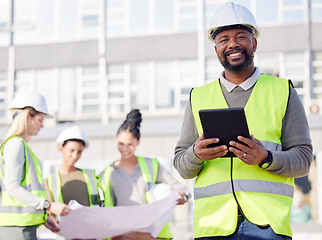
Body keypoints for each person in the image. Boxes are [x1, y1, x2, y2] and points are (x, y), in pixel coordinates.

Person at [173, 2, 313, 240]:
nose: (233, 44)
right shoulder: (198, 97)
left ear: (254, 43)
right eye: (224, 39)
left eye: (241, 37)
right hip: (212, 226)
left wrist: (267, 158)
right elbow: (181, 164)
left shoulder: (283, 91)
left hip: (267, 227)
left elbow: (303, 160)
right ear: (216, 49)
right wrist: (196, 153)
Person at [99, 109, 189, 240]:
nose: (124, 149)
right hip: (123, 235)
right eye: (121, 144)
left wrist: (182, 196)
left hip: (151, 233)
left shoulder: (152, 165)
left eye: (130, 144)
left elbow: (180, 188)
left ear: (138, 142)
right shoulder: (107, 173)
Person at [0, 91, 71, 240]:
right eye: (40, 120)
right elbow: (13, 188)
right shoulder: (15, 144)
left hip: (21, 226)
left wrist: (43, 218)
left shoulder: (19, 145)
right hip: (17, 227)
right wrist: (49, 206)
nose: (42, 126)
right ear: (28, 116)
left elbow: (25, 191)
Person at [44, 125, 101, 239]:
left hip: (90, 235)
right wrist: (59, 227)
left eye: (79, 152)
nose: (75, 156)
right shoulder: (50, 181)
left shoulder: (90, 176)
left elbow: (99, 206)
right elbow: (48, 213)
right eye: (71, 150)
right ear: (61, 148)